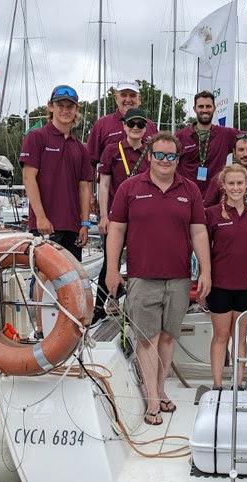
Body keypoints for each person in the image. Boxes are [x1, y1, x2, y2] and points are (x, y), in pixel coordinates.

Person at [106, 132, 211, 425]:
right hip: (141, 277)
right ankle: (153, 399)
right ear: (150, 156)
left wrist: (206, 270)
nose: (166, 161)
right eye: (160, 155)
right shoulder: (129, 188)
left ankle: (161, 388)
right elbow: (116, 230)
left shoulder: (189, 190)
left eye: (172, 156)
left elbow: (199, 232)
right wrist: (113, 269)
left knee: (167, 338)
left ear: (178, 159)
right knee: (147, 339)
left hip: (178, 278)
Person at [19, 84, 93, 261]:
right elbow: (29, 178)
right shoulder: (37, 137)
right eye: (60, 105)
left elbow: (84, 188)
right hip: (46, 225)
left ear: (76, 110)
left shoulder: (81, 149)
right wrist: (41, 217)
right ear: (51, 107)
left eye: (70, 106)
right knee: (42, 280)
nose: (65, 110)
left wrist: (85, 224)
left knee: (72, 281)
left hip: (73, 227)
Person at [205, 164, 247, 390]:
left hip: (246, 283)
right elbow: (202, 248)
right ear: (223, 186)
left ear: (246, 185)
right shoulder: (212, 214)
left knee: (240, 336)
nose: (236, 187)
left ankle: (238, 384)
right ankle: (217, 384)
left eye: (240, 183)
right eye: (231, 183)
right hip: (220, 284)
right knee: (221, 335)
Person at [93, 107, 152, 321]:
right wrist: (103, 216)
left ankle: (134, 305)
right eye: (132, 124)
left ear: (145, 128)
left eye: (140, 124)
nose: (136, 128)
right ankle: (102, 305)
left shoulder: (150, 151)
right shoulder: (111, 150)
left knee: (138, 260)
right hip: (116, 216)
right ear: (124, 125)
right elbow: (104, 183)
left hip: (141, 217)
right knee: (111, 260)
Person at [86, 80, 158, 169]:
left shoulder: (150, 125)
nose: (128, 100)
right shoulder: (102, 125)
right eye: (123, 95)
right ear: (116, 98)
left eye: (132, 95)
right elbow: (89, 162)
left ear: (139, 100)